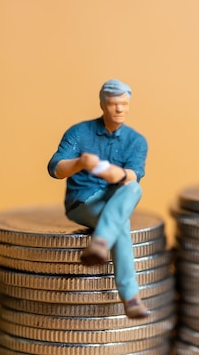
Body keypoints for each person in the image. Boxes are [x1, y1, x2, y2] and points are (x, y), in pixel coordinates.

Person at [47, 79, 149, 319]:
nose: (120, 109)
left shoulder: (136, 140)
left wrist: (121, 174)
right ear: (103, 105)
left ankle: (100, 243)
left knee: (134, 188)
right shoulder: (80, 132)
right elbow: (55, 168)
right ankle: (131, 298)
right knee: (120, 224)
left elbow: (135, 173)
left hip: (115, 196)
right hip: (83, 202)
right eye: (114, 104)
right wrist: (80, 162)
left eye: (124, 104)